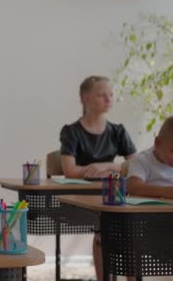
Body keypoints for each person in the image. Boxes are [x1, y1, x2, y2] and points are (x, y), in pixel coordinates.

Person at [59, 75, 136, 281]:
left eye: (111, 94)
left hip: (114, 194)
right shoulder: (71, 132)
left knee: (129, 227)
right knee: (103, 228)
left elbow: (135, 167)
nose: (108, 99)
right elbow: (70, 171)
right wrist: (100, 171)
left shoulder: (118, 131)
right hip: (82, 197)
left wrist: (107, 166)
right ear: (85, 99)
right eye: (102, 95)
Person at [127, 116, 173, 198]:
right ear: (157, 143)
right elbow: (133, 188)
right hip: (148, 210)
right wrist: (166, 192)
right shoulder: (142, 160)